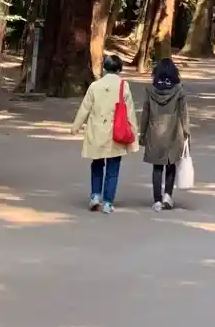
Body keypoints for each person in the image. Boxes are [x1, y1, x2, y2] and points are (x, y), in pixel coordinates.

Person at [69, 53, 138, 212]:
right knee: (113, 169)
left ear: (105, 68)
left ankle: (95, 196)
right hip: (116, 133)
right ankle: (108, 202)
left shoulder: (95, 86)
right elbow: (130, 112)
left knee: (97, 164)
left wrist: (76, 126)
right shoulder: (123, 86)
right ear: (119, 69)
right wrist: (134, 133)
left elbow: (85, 107)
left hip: (97, 131)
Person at [140, 56, 191, 211]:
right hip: (174, 132)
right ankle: (168, 196)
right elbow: (184, 113)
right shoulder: (179, 90)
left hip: (154, 132)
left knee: (157, 167)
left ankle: (157, 199)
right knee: (171, 164)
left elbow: (145, 113)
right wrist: (186, 132)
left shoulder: (150, 90)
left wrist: (142, 134)